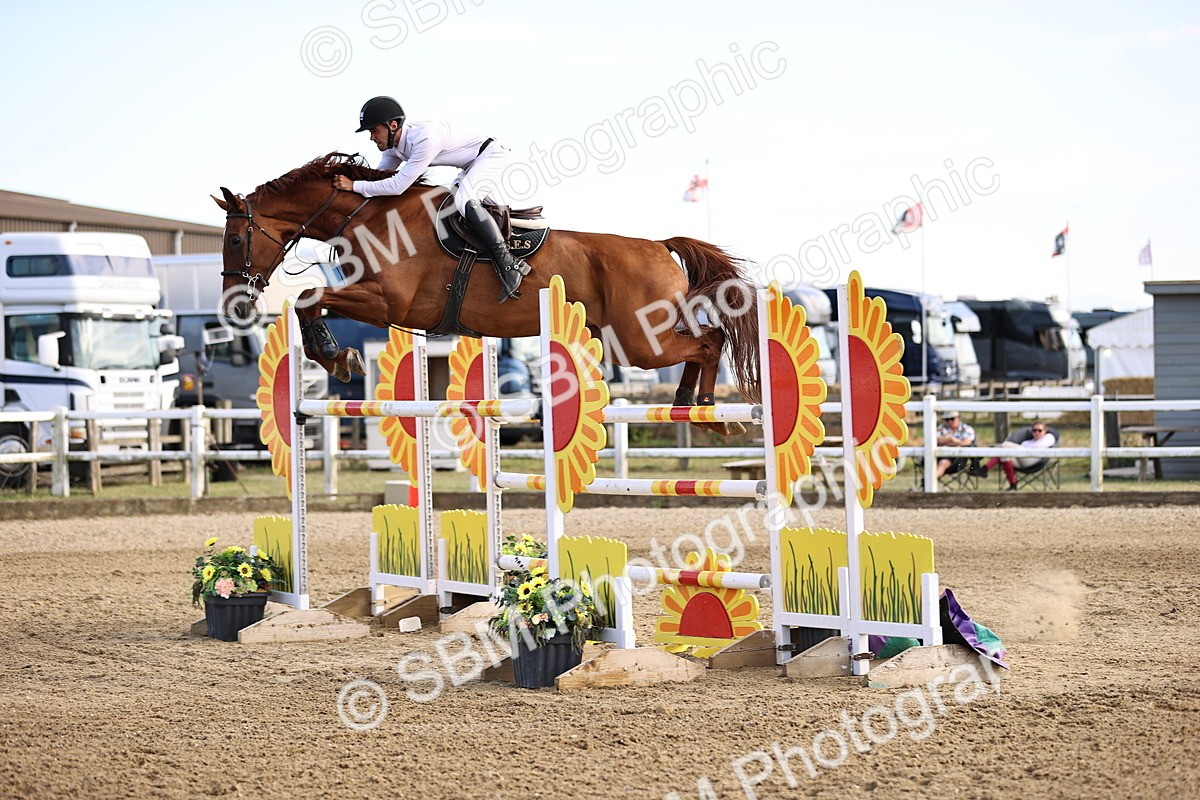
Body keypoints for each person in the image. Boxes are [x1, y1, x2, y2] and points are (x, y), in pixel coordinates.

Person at [332, 96, 530, 303]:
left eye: (374, 130)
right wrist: (350, 187)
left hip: (491, 155)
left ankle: (510, 264)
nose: (372, 137)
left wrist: (353, 185)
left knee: (464, 200)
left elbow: (398, 186)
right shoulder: (394, 147)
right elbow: (382, 175)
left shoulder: (424, 139)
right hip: (471, 165)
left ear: (392, 125)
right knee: (451, 204)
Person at [981, 422, 1057, 490]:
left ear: (1045, 431)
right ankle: (1013, 484)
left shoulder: (1048, 438)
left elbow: (1038, 447)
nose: (1037, 432)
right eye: (1034, 430)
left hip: (1035, 461)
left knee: (1005, 445)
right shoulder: (1027, 442)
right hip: (1022, 461)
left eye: (1039, 430)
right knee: (1004, 456)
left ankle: (985, 468)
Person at [934, 411, 975, 478]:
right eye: (947, 419)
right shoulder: (941, 428)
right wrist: (951, 439)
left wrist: (946, 442)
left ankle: (929, 482)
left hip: (959, 458)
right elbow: (936, 441)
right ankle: (930, 483)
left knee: (943, 463)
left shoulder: (967, 429)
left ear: (958, 418)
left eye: (952, 419)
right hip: (941, 455)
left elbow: (967, 442)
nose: (950, 421)